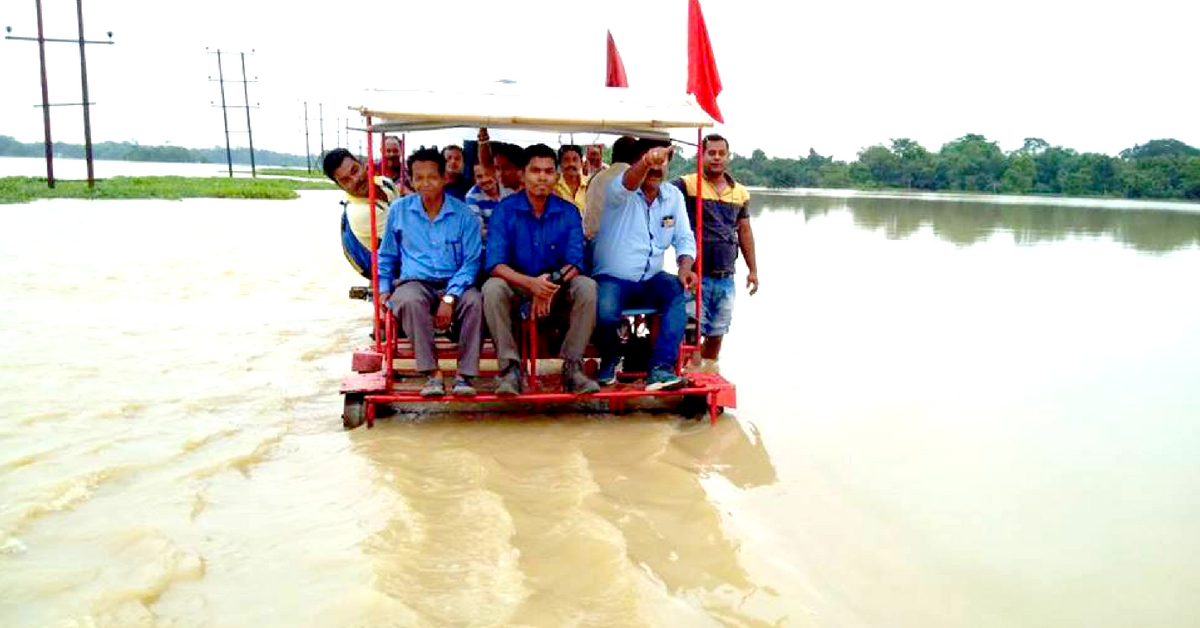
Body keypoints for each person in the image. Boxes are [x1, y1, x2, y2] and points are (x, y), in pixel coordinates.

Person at [482, 144, 599, 396]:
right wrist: (531, 284)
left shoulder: (568, 212)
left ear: (556, 176)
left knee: (587, 286)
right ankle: (510, 370)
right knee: (492, 288)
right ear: (523, 175)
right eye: (535, 170)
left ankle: (573, 368)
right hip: (516, 287)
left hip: (557, 289)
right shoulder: (505, 210)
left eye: (548, 171)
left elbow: (575, 263)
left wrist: (546, 288)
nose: (542, 177)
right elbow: (494, 264)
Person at [377, 148, 484, 398]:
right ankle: (432, 372)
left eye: (432, 177)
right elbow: (387, 256)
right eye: (418, 178)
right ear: (411, 180)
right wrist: (383, 288)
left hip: (456, 281)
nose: (425, 184)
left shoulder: (464, 214)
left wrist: (450, 297)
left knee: (475, 302)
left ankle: (465, 375)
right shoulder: (399, 211)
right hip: (415, 282)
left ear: (444, 178)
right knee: (408, 300)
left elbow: (471, 262)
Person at [592, 140, 697, 390]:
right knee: (606, 313)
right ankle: (609, 360)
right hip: (612, 277)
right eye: (651, 160)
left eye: (663, 161)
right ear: (637, 162)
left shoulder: (673, 196)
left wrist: (685, 266)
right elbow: (628, 182)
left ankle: (660, 368)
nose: (657, 167)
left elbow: (684, 238)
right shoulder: (619, 190)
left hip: (651, 278)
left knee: (676, 291)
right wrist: (648, 161)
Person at [673, 134, 759, 367]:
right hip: (696, 274)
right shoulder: (686, 185)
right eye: (711, 153)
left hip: (725, 276)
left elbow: (745, 232)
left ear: (728, 157)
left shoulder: (740, 193)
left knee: (718, 331)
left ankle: (708, 371)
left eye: (721, 153)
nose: (717, 158)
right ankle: (686, 369)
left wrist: (753, 270)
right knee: (691, 327)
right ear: (701, 155)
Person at [323, 148, 400, 278]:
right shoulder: (360, 213)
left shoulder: (385, 183)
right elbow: (407, 235)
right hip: (395, 269)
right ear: (341, 187)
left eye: (355, 170)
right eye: (346, 180)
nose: (356, 180)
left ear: (362, 165)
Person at [582, 135, 636, 241]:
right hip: (620, 246)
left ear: (612, 155)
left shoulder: (596, 179)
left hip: (591, 244)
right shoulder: (635, 182)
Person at [476, 128, 524, 196]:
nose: (501, 174)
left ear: (521, 169)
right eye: (497, 168)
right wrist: (483, 136)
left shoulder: (533, 189)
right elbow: (485, 163)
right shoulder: (504, 183)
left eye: (506, 168)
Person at [464, 162, 502, 241]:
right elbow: (478, 231)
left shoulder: (508, 188)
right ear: (474, 179)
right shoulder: (471, 197)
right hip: (488, 247)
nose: (485, 179)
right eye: (479, 176)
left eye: (488, 174)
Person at [552, 144, 588, 212]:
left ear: (581, 163)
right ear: (560, 164)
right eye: (566, 160)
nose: (571, 164)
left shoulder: (591, 184)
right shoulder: (553, 186)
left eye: (575, 159)